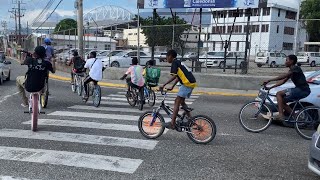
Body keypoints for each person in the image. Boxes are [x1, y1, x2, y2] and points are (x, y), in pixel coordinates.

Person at [263, 55, 311, 120]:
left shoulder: (296, 68)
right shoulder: (292, 70)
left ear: (291, 61)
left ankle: (281, 115)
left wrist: (269, 80)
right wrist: (271, 87)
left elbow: (284, 76)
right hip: (300, 89)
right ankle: (296, 116)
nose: (285, 62)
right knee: (281, 101)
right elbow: (283, 81)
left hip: (302, 90)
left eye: (286, 60)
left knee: (279, 94)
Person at [160, 50, 197, 129]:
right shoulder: (178, 62)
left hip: (187, 83)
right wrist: (172, 86)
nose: (166, 59)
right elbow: (178, 77)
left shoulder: (174, 63)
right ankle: (191, 119)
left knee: (177, 101)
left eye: (167, 57)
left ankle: (172, 123)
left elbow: (174, 76)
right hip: (190, 82)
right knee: (182, 102)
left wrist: (164, 85)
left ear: (170, 56)